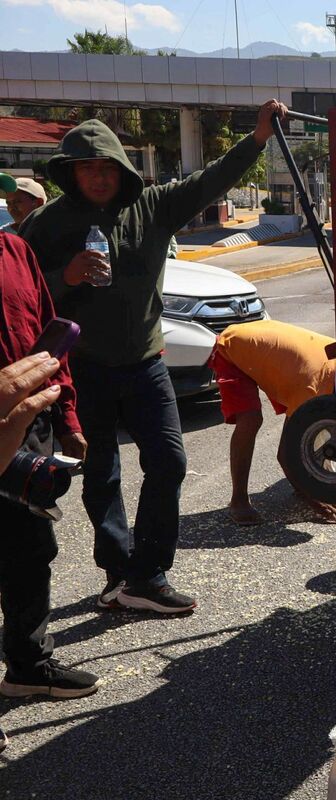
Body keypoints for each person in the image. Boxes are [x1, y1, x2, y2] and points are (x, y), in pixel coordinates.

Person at [19, 99, 289, 615]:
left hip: (145, 363)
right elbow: (21, 297)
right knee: (101, 473)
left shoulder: (154, 206)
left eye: (106, 167)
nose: (98, 177)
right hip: (83, 370)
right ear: (71, 173)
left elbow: (211, 180)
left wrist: (257, 138)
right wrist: (63, 277)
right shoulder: (47, 224)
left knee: (169, 461)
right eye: (86, 168)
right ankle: (119, 574)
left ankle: (147, 574)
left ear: (122, 169)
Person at [0, 232, 98, 755]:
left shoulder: (15, 251)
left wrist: (67, 418)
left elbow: (49, 342)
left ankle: (28, 667)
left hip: (29, 427)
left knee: (31, 551)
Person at [209, 319, 336, 525]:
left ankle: (299, 486)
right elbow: (286, 454)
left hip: (264, 343)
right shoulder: (311, 388)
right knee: (251, 420)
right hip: (231, 348)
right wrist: (311, 495)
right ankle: (238, 500)